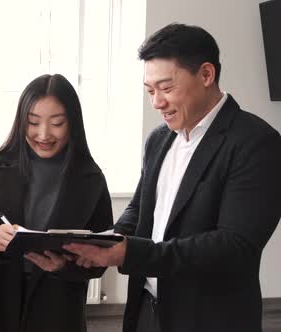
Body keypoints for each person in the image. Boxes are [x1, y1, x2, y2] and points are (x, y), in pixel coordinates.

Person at [63, 23, 281, 332]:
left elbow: (234, 246)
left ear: (206, 75)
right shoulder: (159, 139)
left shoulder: (256, 142)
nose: (157, 102)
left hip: (210, 319)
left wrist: (132, 252)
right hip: (147, 311)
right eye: (150, 91)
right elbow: (139, 211)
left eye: (166, 88)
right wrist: (100, 245)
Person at [0, 74, 113, 332]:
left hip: (57, 300)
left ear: (72, 123)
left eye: (57, 123)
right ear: (21, 122)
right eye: (33, 122)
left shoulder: (90, 178)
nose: (43, 134)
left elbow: (102, 250)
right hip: (1, 294)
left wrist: (65, 266)